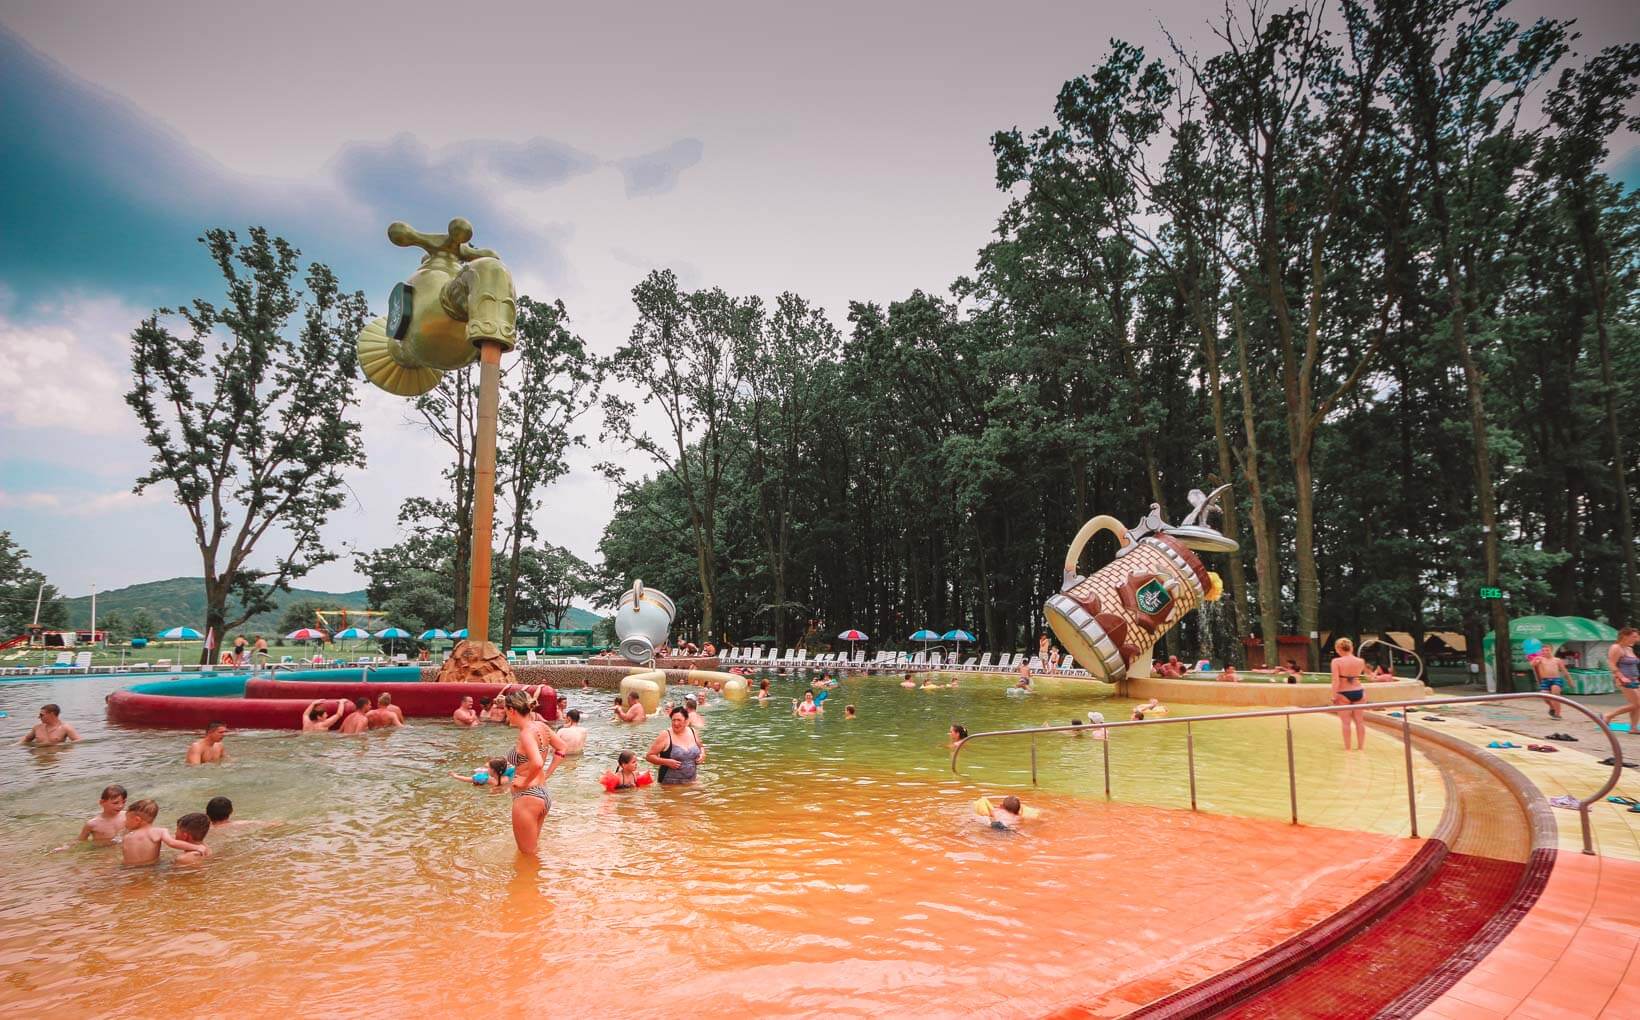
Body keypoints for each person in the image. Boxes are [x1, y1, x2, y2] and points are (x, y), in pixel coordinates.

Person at [505, 689, 567, 856]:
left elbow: (537, 763)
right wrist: (546, 775)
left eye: (506, 711)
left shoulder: (526, 733)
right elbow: (562, 748)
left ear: (511, 710)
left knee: (527, 855)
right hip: (542, 793)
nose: (506, 716)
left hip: (527, 796)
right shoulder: (541, 727)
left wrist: (525, 782)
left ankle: (529, 882)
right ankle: (537, 882)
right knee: (532, 851)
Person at [120, 800, 205, 866]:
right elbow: (172, 843)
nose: (125, 822)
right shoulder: (158, 831)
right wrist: (197, 847)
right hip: (149, 868)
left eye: (127, 819)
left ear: (137, 820)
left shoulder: (127, 836)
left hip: (128, 869)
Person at [55, 784, 127, 850]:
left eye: (123, 802)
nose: (120, 806)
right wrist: (65, 847)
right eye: (115, 803)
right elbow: (80, 841)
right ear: (102, 802)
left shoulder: (126, 816)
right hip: (102, 851)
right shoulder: (92, 824)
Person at [647, 705, 706, 784]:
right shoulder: (665, 735)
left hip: (691, 781)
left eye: (679, 720)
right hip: (669, 784)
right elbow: (649, 756)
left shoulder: (692, 731)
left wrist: (702, 754)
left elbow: (701, 747)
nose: (675, 723)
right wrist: (666, 762)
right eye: (673, 720)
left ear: (686, 721)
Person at [1330, 637, 1368, 751]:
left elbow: (1335, 680)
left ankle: (1348, 749)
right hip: (1359, 691)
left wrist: (1333, 696)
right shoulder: (1360, 661)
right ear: (1351, 648)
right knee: (1360, 721)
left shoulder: (1336, 662)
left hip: (1343, 692)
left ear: (1338, 648)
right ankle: (1360, 748)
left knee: (1346, 723)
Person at [1603, 628, 1640, 731]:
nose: (1636, 639)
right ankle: (1609, 715)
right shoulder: (1616, 647)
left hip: (1634, 679)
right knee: (1636, 703)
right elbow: (1611, 664)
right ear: (1624, 636)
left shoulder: (1629, 649)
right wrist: (1621, 677)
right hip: (1623, 679)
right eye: (1634, 637)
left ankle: (1633, 728)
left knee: (1637, 705)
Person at [1532, 644, 1571, 719]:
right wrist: (1535, 661)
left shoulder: (1557, 660)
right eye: (1543, 650)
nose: (1545, 652)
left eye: (1547, 650)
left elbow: (1565, 671)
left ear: (1551, 651)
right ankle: (1552, 707)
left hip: (1556, 679)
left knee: (1555, 694)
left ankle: (1557, 714)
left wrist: (1570, 681)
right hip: (1545, 680)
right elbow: (1532, 664)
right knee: (1544, 696)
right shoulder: (1540, 659)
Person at [205, 796, 277, 832]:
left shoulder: (203, 829)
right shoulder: (240, 824)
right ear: (231, 811)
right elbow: (273, 824)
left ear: (207, 812)